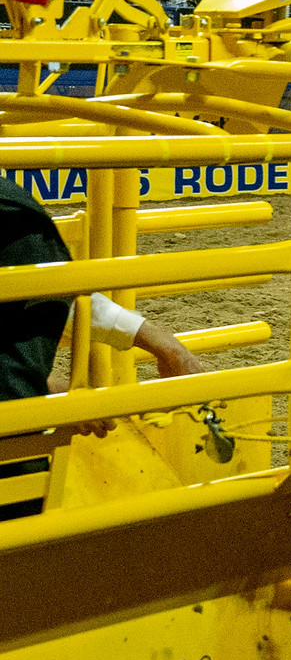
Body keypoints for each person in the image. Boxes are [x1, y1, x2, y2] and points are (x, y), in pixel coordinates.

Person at [1, 176, 208, 521]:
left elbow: (41, 289)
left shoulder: (14, 214)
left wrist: (160, 343)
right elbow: (45, 288)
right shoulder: (14, 212)